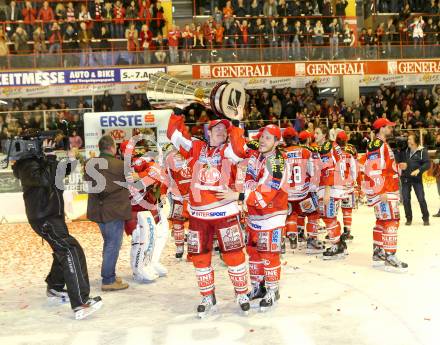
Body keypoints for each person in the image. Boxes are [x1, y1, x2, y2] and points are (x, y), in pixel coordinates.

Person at [167, 110, 250, 317]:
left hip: (225, 214)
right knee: (200, 257)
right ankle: (207, 295)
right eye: (218, 128)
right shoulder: (195, 147)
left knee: (233, 255)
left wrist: (236, 123)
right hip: (198, 217)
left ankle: (241, 293)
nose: (222, 131)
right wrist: (178, 112)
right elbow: (174, 135)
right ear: (209, 131)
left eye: (225, 129)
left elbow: (240, 151)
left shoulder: (228, 150)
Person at [12, 133, 102, 320]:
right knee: (70, 249)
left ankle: (55, 287)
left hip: (54, 216)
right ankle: (80, 303)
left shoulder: (40, 161)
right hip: (44, 218)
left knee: (64, 249)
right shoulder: (25, 165)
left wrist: (70, 157)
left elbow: (59, 173)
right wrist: (51, 156)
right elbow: (46, 179)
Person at [228, 123, 288, 311]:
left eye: (268, 138)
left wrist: (239, 196)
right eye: (262, 136)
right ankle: (258, 287)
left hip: (272, 215)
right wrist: (236, 123)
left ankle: (272, 289)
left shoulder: (277, 161)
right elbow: (238, 148)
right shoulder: (256, 154)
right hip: (254, 214)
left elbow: (268, 190)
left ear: (277, 142)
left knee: (269, 253)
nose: (262, 140)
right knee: (253, 252)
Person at [85, 135, 131, 291]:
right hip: (114, 211)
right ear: (112, 148)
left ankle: (109, 274)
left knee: (108, 242)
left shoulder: (89, 164)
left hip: (98, 212)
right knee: (113, 244)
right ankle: (108, 279)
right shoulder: (121, 165)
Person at [120, 140, 169, 283]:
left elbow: (155, 171)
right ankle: (138, 269)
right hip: (132, 210)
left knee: (155, 236)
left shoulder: (138, 162)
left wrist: (143, 175)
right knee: (140, 239)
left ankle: (149, 263)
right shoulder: (121, 166)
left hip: (146, 207)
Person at [363, 118, 408, 272]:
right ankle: (390, 256)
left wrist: (398, 167)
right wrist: (381, 190)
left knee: (381, 221)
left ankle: (378, 253)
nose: (391, 129)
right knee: (391, 221)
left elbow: (385, 167)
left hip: (386, 188)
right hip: (384, 190)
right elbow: (373, 169)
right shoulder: (377, 144)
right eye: (389, 127)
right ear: (381, 128)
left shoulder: (381, 144)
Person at [284, 130, 324, 254]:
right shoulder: (306, 152)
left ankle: (292, 236)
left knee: (291, 213)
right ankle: (312, 240)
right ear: (296, 138)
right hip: (303, 191)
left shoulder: (280, 153)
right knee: (313, 213)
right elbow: (314, 170)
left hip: (287, 192)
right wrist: (314, 187)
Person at [314, 126, 348, 259]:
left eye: (317, 132)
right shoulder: (334, 145)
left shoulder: (326, 147)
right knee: (331, 216)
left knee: (328, 216)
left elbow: (328, 169)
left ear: (324, 135)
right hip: (338, 185)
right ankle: (339, 243)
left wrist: (327, 191)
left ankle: (336, 245)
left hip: (331, 187)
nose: (314, 135)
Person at [397, 133, 430, 226]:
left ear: (415, 141)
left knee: (421, 198)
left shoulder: (422, 151)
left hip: (417, 179)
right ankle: (408, 218)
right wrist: (400, 165)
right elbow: (397, 160)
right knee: (406, 199)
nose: (408, 141)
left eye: (410, 139)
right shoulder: (404, 151)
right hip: (405, 178)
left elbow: (427, 164)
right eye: (408, 139)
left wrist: (419, 170)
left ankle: (426, 218)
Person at [164, 145, 191, 259]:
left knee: (196, 224)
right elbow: (166, 176)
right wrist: (164, 191)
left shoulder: (194, 153)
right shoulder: (169, 157)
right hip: (179, 196)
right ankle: (179, 247)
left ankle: (193, 249)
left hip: (193, 196)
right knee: (177, 222)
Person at [336, 131, 358, 240]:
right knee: (347, 209)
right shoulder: (351, 151)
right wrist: (354, 181)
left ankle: (333, 231)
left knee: (333, 211)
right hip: (347, 185)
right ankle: (347, 231)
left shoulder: (332, 152)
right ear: (346, 140)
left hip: (335, 185)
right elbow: (354, 169)